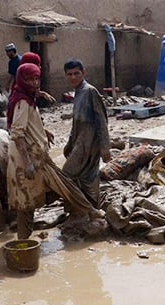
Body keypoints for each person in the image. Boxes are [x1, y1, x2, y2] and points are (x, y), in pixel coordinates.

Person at [6, 63, 102, 239]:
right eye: (30, 79)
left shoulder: (26, 97)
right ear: (22, 79)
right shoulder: (22, 101)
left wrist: (43, 131)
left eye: (37, 79)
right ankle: (23, 242)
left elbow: (29, 125)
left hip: (37, 156)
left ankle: (88, 211)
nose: (34, 83)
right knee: (39, 197)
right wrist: (27, 164)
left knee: (52, 189)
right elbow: (17, 134)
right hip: (31, 159)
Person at [62, 58, 111, 206]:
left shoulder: (90, 91)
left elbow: (101, 120)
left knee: (70, 174)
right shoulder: (78, 92)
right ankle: (84, 208)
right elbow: (76, 123)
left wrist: (105, 147)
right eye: (69, 74)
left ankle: (88, 209)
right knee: (83, 176)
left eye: (76, 73)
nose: (73, 77)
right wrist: (69, 143)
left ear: (83, 73)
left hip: (90, 143)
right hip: (80, 142)